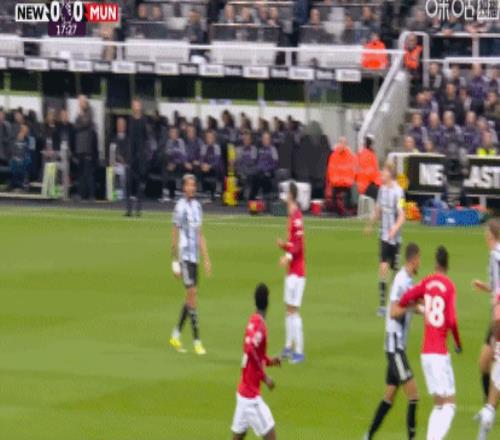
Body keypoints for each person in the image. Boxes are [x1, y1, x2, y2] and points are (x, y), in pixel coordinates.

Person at [392, 246, 462, 440]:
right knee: (450, 405)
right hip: (440, 354)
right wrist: (457, 342)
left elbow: (406, 298)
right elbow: (452, 320)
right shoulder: (449, 286)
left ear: (435, 263)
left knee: (438, 406)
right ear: (447, 265)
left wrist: (414, 305)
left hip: (426, 355)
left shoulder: (427, 282)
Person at [364, 243, 421, 440]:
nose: (420, 263)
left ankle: (368, 435)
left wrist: (425, 309)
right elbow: (394, 311)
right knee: (414, 396)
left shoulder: (409, 281)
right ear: (414, 259)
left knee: (389, 397)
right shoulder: (401, 280)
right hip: (395, 346)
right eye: (419, 259)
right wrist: (412, 307)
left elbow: (412, 304)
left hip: (397, 345)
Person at [231, 283, 281, 440]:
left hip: (243, 392)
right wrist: (264, 377)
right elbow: (250, 349)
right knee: (271, 436)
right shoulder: (260, 325)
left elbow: (255, 352)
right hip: (251, 398)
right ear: (267, 302)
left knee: (238, 436)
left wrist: (270, 361)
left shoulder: (253, 320)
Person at [169, 174, 211, 355]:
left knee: (190, 298)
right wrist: (174, 261)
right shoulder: (179, 207)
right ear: (184, 187)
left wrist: (206, 258)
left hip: (195, 258)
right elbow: (174, 233)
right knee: (192, 296)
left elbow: (200, 234)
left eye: (193, 185)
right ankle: (197, 341)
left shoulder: (197, 206)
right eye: (188, 185)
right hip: (184, 257)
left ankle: (176, 335)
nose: (191, 188)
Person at [366, 162, 405, 316]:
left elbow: (402, 215)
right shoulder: (382, 190)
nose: (381, 173)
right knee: (383, 267)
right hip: (384, 235)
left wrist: (395, 228)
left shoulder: (399, 192)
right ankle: (383, 305)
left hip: (395, 238)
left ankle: (395, 301)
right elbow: (378, 209)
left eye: (384, 171)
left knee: (395, 272)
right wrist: (370, 224)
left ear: (390, 173)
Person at [277, 182, 306, 364]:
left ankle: (299, 351)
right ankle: (288, 346)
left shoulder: (297, 217)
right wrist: (284, 246)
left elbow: (298, 245)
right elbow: (292, 243)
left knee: (294, 311)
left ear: (291, 196)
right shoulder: (291, 217)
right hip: (291, 272)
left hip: (297, 273)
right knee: (289, 310)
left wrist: (287, 256)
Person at [472, 219, 500, 403]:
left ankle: (489, 407)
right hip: (495, 317)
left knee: (492, 363)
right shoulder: (495, 255)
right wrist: (485, 286)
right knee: (484, 363)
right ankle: (488, 407)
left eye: (486, 233)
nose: (484, 236)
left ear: (490, 234)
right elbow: (496, 286)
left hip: (498, 318)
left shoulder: (496, 257)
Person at [125, 98, 148, 216]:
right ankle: (129, 209)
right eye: (134, 105)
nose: (135, 107)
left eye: (137, 105)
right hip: (131, 156)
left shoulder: (144, 121)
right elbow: (129, 138)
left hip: (141, 156)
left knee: (139, 183)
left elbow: (146, 137)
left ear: (140, 106)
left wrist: (144, 153)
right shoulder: (130, 120)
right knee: (129, 183)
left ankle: (138, 209)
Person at [74, 95, 95, 200]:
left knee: (88, 172)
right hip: (80, 148)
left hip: (87, 147)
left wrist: (81, 116)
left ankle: (91, 195)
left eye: (80, 102)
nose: (79, 104)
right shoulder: (80, 113)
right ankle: (81, 194)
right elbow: (76, 126)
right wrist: (81, 120)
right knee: (81, 172)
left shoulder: (89, 111)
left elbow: (86, 123)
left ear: (84, 102)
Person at [250, 131, 278, 201]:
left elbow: (275, 164)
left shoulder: (273, 149)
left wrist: (266, 170)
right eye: (263, 139)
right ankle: (252, 200)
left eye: (266, 139)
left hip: (268, 173)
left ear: (269, 140)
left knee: (259, 178)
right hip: (259, 172)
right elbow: (257, 162)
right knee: (255, 176)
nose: (264, 140)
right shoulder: (260, 150)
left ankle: (254, 199)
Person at [200, 129, 221, 200]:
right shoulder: (204, 147)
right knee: (201, 169)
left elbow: (217, 161)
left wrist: (209, 166)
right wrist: (203, 165)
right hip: (205, 167)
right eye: (207, 137)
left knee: (214, 170)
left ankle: (212, 193)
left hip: (214, 167)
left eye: (211, 137)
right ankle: (205, 192)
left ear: (214, 138)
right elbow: (201, 159)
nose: (209, 139)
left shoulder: (217, 147)